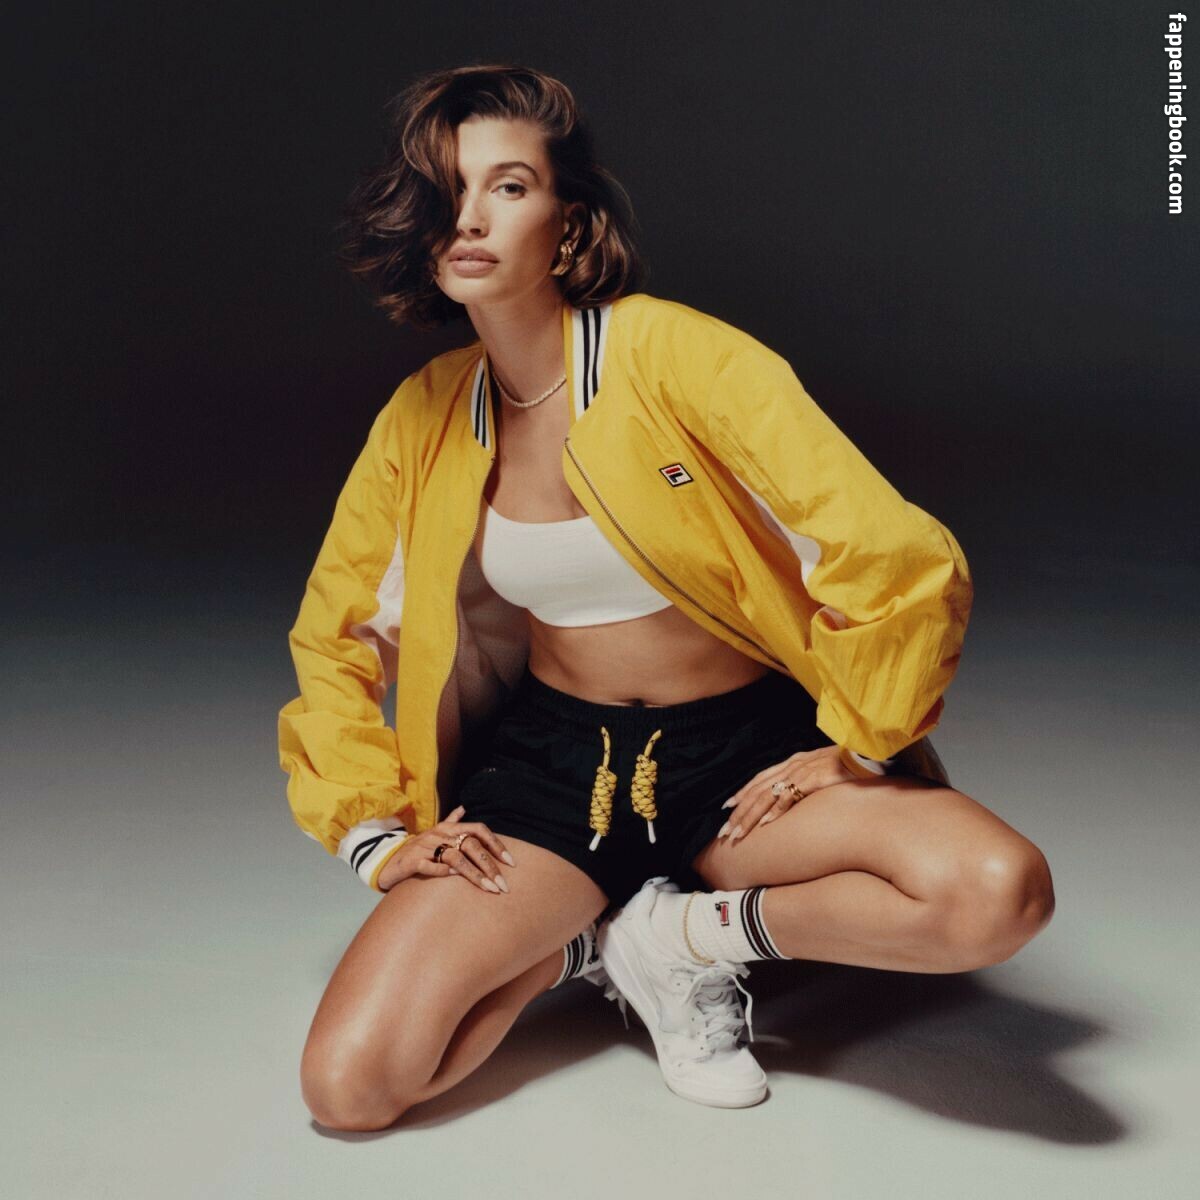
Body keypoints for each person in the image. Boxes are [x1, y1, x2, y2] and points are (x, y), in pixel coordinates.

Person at [278, 63, 1055, 1130]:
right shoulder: (425, 414)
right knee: (352, 1087)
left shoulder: (677, 356)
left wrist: (862, 736)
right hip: (554, 772)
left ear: (568, 222)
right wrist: (372, 831)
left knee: (998, 891)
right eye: (448, 190)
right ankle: (590, 938)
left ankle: (678, 938)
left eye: (509, 186)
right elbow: (338, 628)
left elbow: (889, 547)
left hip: (741, 759)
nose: (470, 217)